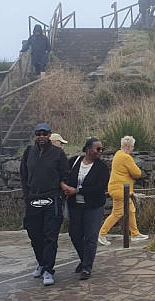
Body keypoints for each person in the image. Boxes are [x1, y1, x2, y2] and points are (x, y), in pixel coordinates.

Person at [20, 122, 72, 286]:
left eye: (45, 133)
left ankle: (49, 270)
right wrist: (26, 195)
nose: (41, 136)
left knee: (50, 236)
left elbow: (66, 174)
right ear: (35, 135)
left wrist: (61, 191)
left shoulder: (58, 153)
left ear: (50, 135)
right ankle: (41, 263)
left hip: (52, 199)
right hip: (33, 199)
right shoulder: (29, 152)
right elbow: (23, 175)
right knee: (34, 235)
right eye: (38, 133)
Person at [65, 138, 110, 280]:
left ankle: (86, 268)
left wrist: (77, 190)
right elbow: (64, 176)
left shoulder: (102, 167)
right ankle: (84, 258)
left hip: (94, 206)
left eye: (102, 149)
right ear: (88, 149)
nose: (100, 152)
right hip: (75, 205)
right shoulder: (74, 161)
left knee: (91, 236)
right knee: (75, 234)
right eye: (98, 149)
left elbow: (99, 188)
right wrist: (64, 186)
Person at [97, 135, 148, 245]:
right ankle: (102, 234)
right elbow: (137, 173)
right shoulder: (126, 157)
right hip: (121, 190)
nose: (133, 148)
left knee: (130, 210)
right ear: (129, 146)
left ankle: (135, 234)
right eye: (132, 146)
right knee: (117, 213)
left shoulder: (118, 154)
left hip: (117, 188)